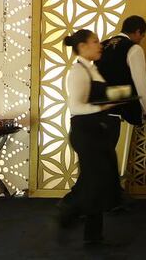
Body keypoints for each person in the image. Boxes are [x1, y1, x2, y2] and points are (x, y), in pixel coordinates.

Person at [57, 29, 121, 247]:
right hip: (85, 132)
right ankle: (72, 218)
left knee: (95, 181)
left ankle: (78, 221)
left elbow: (98, 96)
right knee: (95, 182)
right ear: (82, 47)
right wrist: (104, 106)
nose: (100, 44)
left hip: (96, 130)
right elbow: (75, 106)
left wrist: (123, 94)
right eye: (95, 42)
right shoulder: (78, 72)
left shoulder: (92, 69)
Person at [95, 15, 146, 211]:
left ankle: (112, 198)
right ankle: (78, 202)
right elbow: (140, 85)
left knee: (103, 157)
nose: (141, 39)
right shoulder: (133, 49)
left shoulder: (101, 46)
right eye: (143, 35)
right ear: (137, 31)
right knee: (105, 158)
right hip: (113, 112)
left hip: (92, 109)